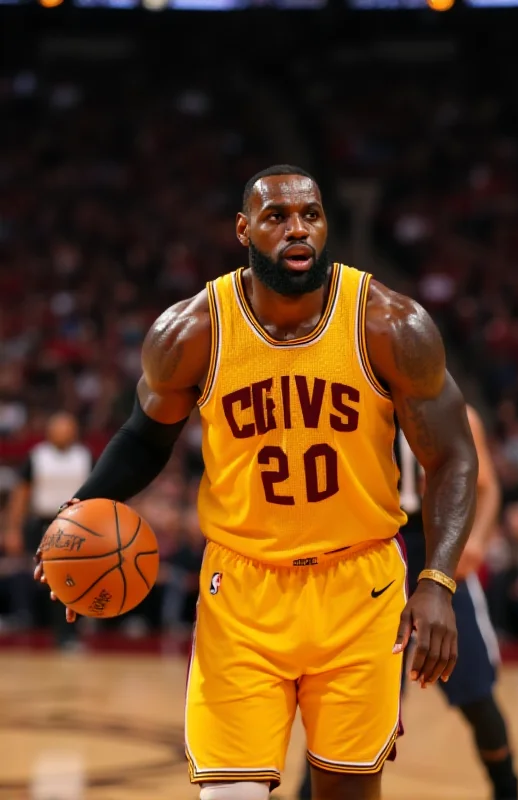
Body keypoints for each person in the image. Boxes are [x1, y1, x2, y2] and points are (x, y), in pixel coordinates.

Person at [35, 165, 478, 800]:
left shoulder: (390, 326)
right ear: (244, 229)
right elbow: (143, 437)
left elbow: (454, 456)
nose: (297, 229)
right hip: (242, 589)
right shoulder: (192, 332)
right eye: (277, 217)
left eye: (311, 215)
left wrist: (437, 581)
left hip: (360, 585)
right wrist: (78, 518)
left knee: (346, 791)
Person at [299, 404, 518, 799]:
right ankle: (306, 791)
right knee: (349, 693)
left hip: (437, 549)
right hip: (372, 553)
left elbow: (487, 487)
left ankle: (508, 787)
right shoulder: (355, 404)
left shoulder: (457, 412)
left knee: (475, 691)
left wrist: (480, 540)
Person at [4, 412, 92, 647]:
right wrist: (13, 528)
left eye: (68, 428)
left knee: (71, 581)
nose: (64, 433)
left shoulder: (85, 457)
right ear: (49, 431)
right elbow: (21, 494)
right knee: (49, 581)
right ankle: (51, 631)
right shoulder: (37, 457)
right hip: (44, 523)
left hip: (78, 524)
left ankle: (69, 633)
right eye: (59, 428)